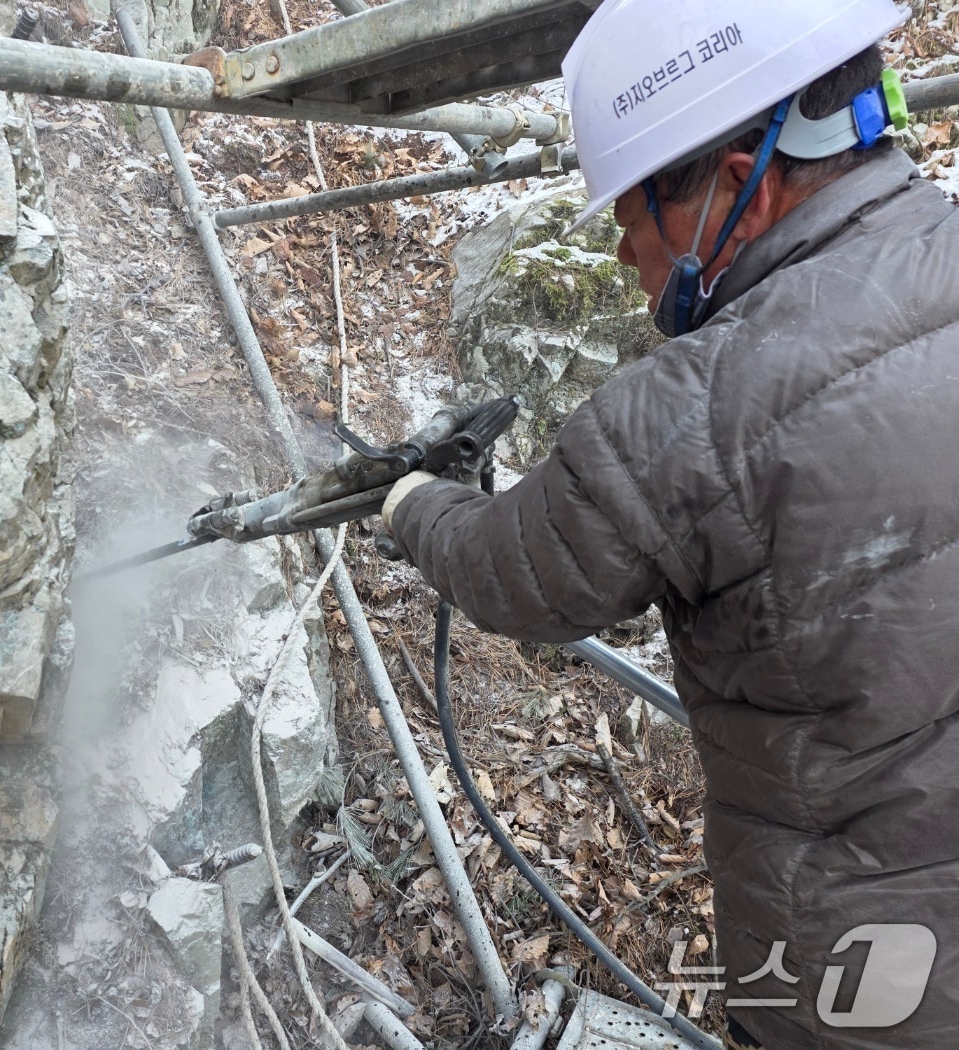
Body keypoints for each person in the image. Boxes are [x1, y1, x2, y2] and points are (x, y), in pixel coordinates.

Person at [380, 1, 959, 1048]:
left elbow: (515, 573)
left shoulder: (695, 411)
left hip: (871, 969)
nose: (618, 252)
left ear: (739, 187)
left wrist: (410, 503)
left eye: (632, 215)